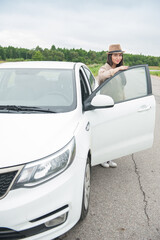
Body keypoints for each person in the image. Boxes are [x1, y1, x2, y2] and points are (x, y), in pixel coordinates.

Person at [98, 44, 128, 168]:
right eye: (115, 55)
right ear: (110, 56)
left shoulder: (121, 71)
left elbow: (121, 89)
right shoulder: (104, 69)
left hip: (118, 106)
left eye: (120, 55)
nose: (118, 57)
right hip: (106, 107)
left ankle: (110, 158)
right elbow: (102, 76)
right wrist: (116, 70)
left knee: (115, 134)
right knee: (106, 133)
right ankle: (102, 158)